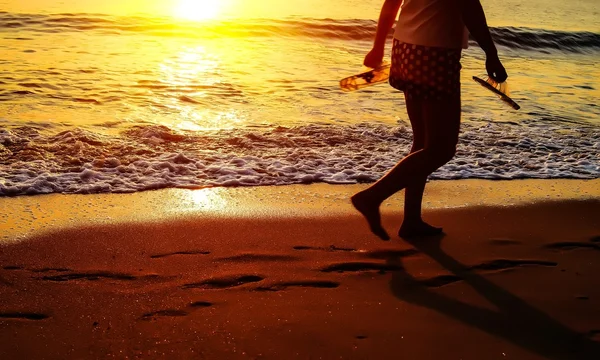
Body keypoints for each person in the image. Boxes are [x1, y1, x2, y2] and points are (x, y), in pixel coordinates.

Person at [351, 0, 507, 240]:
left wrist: (378, 46)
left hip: (405, 49)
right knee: (441, 149)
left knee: (423, 144)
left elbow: (392, 3)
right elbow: (469, 8)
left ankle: (411, 220)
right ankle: (372, 197)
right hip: (435, 53)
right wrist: (492, 54)